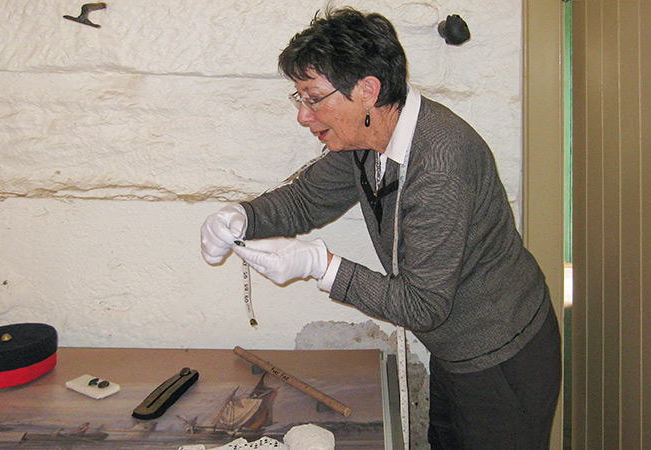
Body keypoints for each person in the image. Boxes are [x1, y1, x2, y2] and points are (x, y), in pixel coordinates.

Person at [200, 7, 561, 450]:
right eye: (300, 99)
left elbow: (423, 305)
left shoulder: (440, 164)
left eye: (313, 97)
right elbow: (307, 198)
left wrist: (321, 265)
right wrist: (241, 216)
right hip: (456, 352)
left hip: (501, 358)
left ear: (367, 91)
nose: (303, 116)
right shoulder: (367, 140)